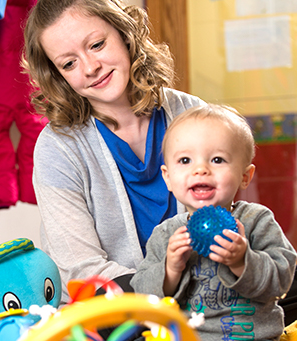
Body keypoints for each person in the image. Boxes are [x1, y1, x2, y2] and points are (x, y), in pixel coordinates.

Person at [22, 0, 205, 304]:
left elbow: (221, 221)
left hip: (201, 297)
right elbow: (84, 271)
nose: (91, 67)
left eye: (96, 44)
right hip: (115, 309)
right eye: (69, 63)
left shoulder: (192, 113)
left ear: (124, 32)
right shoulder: (57, 147)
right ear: (58, 76)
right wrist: (165, 290)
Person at [130, 104, 297, 341]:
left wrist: (242, 261)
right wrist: (170, 270)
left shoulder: (257, 220)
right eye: (185, 160)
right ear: (167, 178)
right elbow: (143, 299)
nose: (200, 169)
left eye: (217, 159)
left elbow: (282, 281)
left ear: (245, 176)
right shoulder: (167, 234)